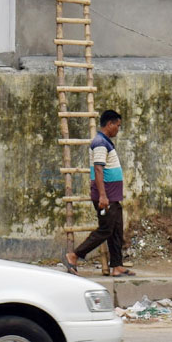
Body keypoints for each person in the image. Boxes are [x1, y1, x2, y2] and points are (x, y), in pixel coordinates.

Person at [65, 110, 134, 277]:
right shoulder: (100, 143)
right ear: (109, 124)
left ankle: (117, 265)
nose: (118, 129)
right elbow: (98, 168)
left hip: (112, 196)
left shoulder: (105, 142)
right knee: (106, 229)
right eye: (117, 126)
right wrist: (103, 196)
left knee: (117, 229)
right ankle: (74, 255)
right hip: (106, 196)